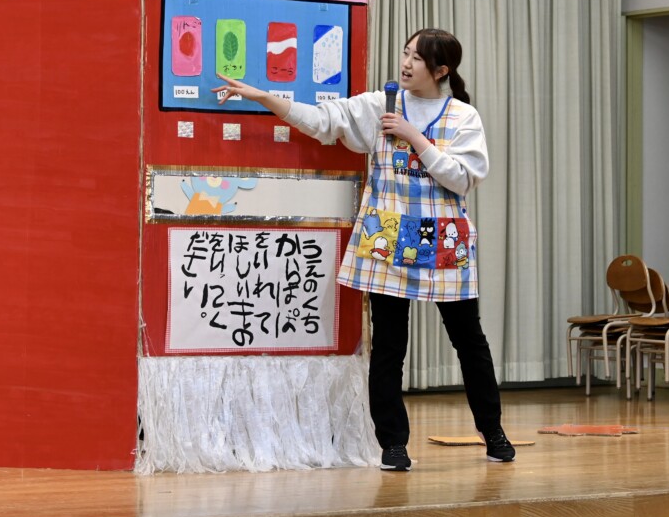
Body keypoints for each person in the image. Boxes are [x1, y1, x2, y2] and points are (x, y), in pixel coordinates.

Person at [214, 27, 514, 471]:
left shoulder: (463, 116)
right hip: (387, 237)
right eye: (406, 53)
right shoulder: (378, 105)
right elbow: (320, 121)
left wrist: (414, 137)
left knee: (469, 342)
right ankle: (393, 444)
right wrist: (262, 96)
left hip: (444, 242)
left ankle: (494, 433)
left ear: (441, 71)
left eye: (417, 58)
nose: (406, 63)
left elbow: (462, 179)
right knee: (389, 346)